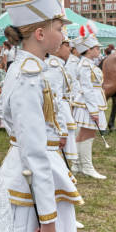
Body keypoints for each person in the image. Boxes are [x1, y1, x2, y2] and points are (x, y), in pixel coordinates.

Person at [0, 0, 82, 232]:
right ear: (41, 34)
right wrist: (48, 218)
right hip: (28, 185)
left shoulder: (26, 69)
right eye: (59, 28)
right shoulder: (29, 75)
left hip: (23, 178)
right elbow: (33, 153)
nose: (63, 35)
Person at [72, 26, 107, 179]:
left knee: (84, 135)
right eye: (96, 48)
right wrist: (94, 111)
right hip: (88, 105)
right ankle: (87, 166)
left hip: (88, 104)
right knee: (88, 134)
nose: (99, 50)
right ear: (89, 50)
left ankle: (78, 164)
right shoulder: (85, 66)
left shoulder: (88, 64)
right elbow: (87, 89)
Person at [44, 28, 78, 171]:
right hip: (57, 115)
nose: (70, 49)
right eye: (66, 45)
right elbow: (54, 100)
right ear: (57, 47)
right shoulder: (53, 66)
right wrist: (62, 131)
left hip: (63, 110)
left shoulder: (58, 65)